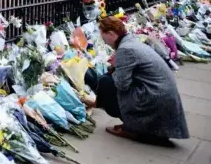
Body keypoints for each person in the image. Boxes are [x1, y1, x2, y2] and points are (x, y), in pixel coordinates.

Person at [81, 17, 189, 146]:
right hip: (161, 98)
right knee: (107, 80)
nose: (103, 41)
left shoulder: (125, 50)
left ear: (111, 34)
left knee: (105, 82)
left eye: (103, 37)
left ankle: (134, 127)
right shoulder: (131, 41)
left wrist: (115, 68)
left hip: (154, 99)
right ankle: (136, 125)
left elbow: (121, 84)